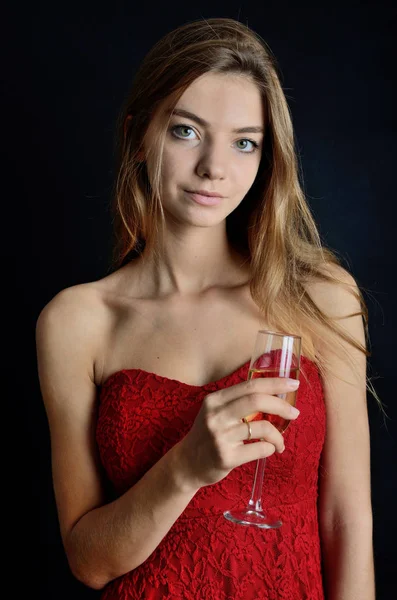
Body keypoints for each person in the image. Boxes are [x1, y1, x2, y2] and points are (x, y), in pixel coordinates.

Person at [35, 17, 377, 599]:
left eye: (245, 142)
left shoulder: (321, 296)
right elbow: (88, 561)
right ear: (139, 135)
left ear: (267, 158)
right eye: (186, 131)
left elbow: (348, 518)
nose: (215, 167)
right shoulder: (77, 321)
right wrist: (185, 467)